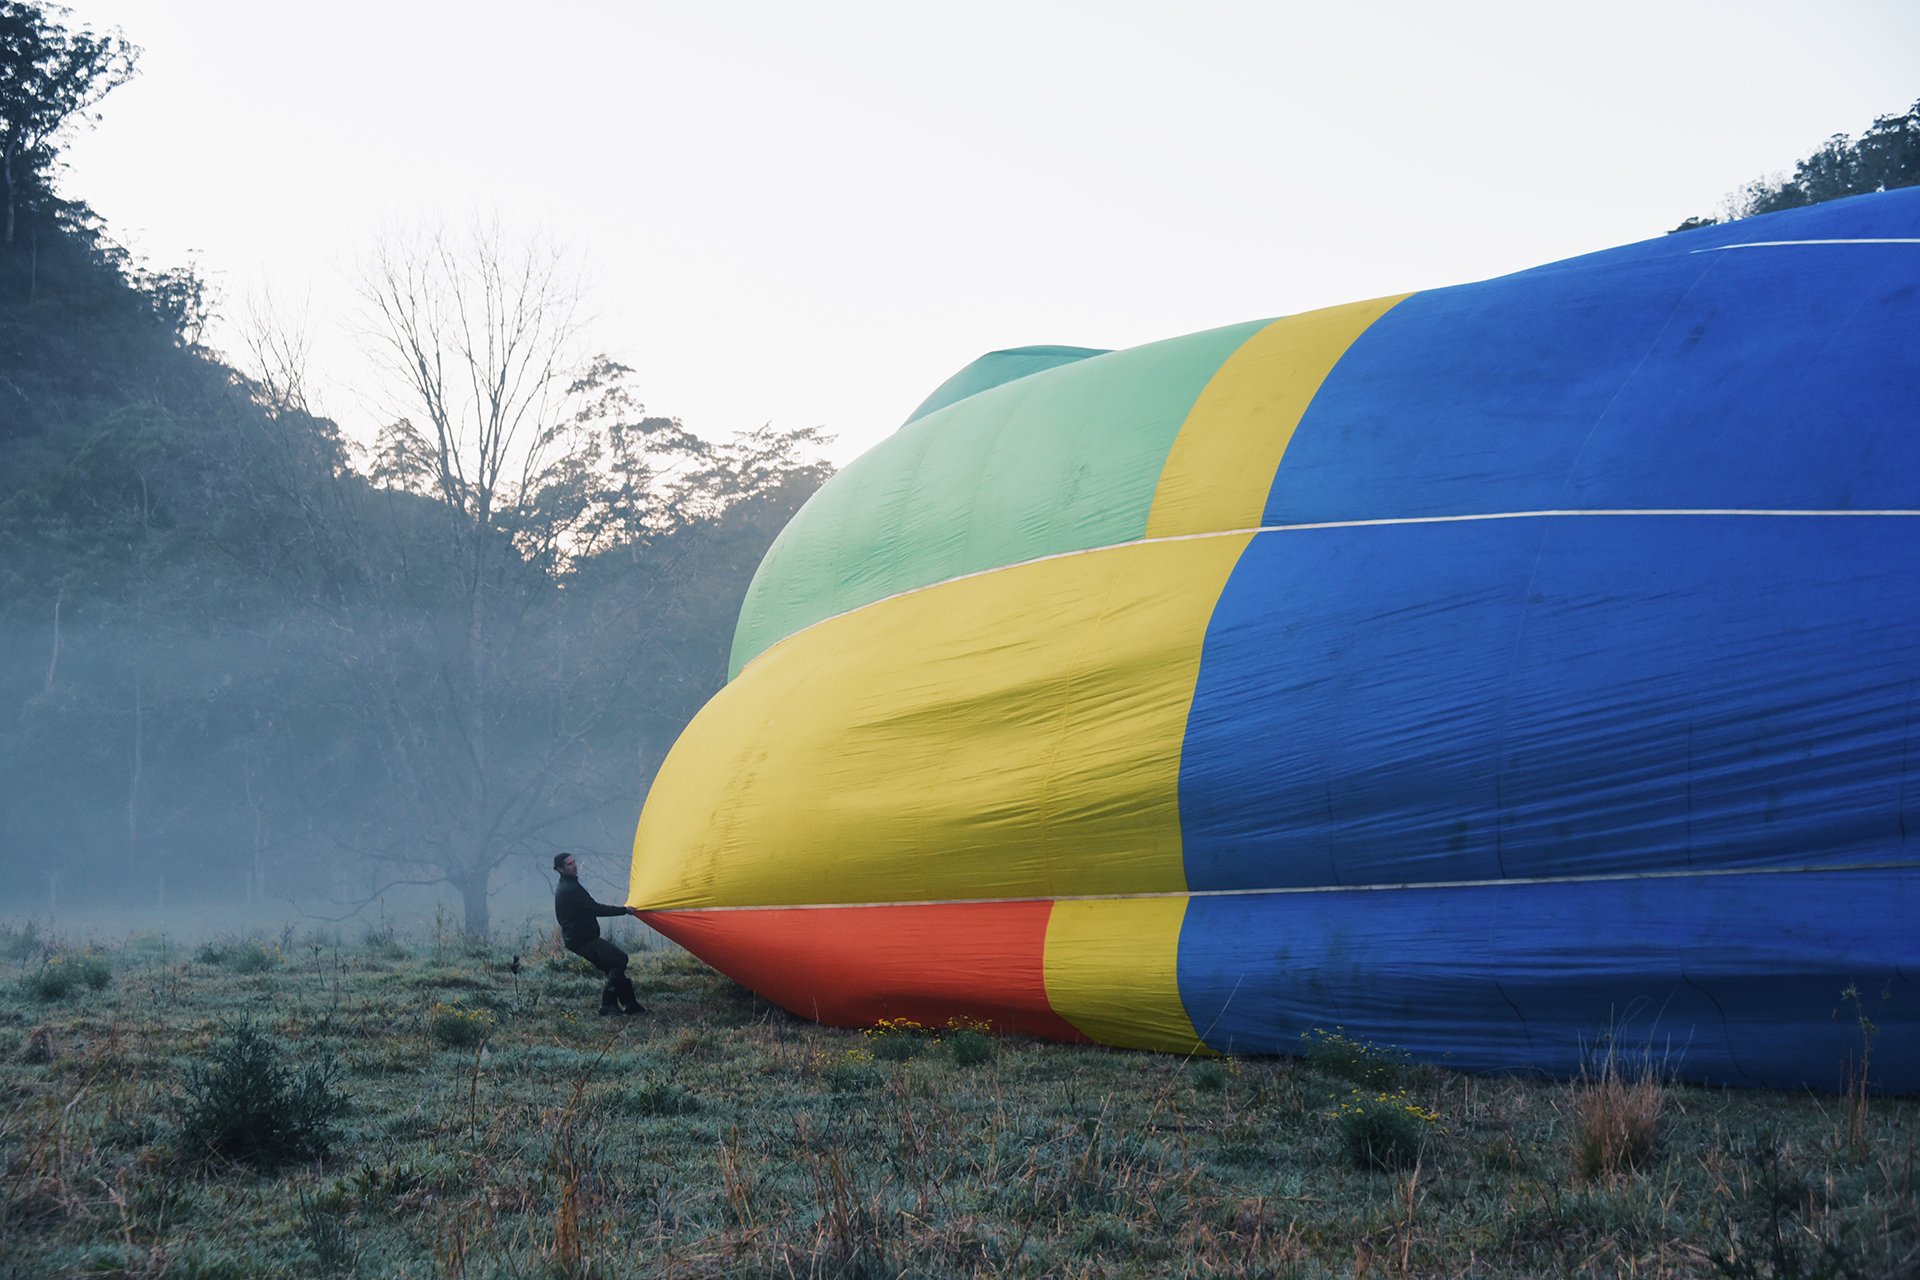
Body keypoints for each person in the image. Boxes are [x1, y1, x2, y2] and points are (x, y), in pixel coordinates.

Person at [552, 852, 647, 1016]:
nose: (574, 865)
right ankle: (607, 1005)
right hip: (583, 940)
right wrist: (624, 911)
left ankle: (631, 1005)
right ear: (560, 869)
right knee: (620, 960)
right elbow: (595, 908)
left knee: (613, 967)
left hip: (578, 939)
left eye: (574, 862)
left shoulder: (569, 885)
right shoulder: (570, 889)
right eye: (569, 864)